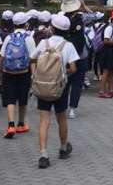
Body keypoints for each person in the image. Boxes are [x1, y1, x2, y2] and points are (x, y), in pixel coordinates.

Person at [30, 14, 79, 169]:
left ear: (52, 28)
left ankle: (43, 154)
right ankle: (63, 148)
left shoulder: (43, 43)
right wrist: (63, 73)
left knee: (44, 120)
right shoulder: (68, 45)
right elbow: (73, 68)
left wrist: (35, 74)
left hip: (42, 86)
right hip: (59, 87)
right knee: (61, 118)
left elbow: (32, 59)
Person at [0, 12, 36, 138]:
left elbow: (2, 57)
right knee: (23, 98)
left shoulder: (8, 38)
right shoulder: (29, 38)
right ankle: (21, 124)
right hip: (24, 72)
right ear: (26, 24)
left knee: (10, 99)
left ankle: (10, 125)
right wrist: (34, 75)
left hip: (8, 72)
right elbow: (33, 59)